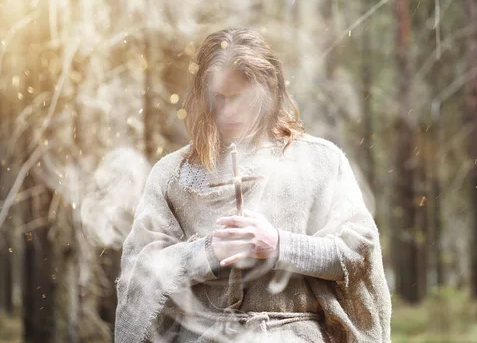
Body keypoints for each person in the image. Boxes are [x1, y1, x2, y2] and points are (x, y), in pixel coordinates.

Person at [115, 28, 391, 342]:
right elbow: (141, 272)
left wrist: (278, 245)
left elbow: (357, 255)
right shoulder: (171, 174)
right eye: (219, 98)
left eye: (240, 98)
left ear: (267, 90)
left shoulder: (321, 161)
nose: (228, 111)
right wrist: (207, 253)